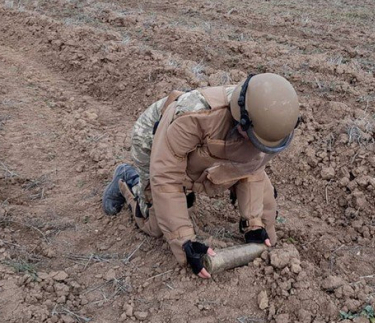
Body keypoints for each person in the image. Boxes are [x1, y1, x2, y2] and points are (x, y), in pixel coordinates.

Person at [102, 73, 300, 278]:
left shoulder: (272, 125)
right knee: (156, 226)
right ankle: (127, 178)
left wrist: (255, 224)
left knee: (262, 218)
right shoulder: (195, 116)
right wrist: (184, 240)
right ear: (241, 121)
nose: (257, 147)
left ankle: (187, 191)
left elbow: (252, 169)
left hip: (202, 148)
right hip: (156, 138)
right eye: (252, 139)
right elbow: (166, 177)